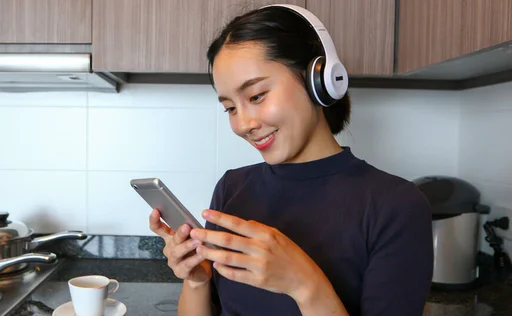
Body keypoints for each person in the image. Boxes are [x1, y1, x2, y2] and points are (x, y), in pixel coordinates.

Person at [149, 4, 433, 316]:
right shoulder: (232, 187)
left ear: (319, 80)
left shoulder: (396, 205)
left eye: (256, 96)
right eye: (230, 107)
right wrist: (197, 280)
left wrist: (304, 284)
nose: (243, 124)